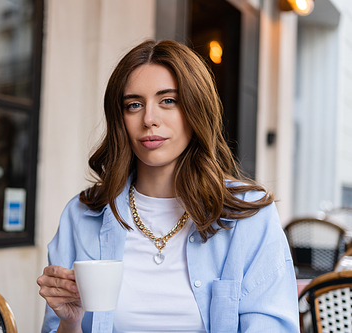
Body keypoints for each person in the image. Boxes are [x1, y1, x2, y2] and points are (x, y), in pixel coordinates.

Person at [37, 40, 299, 333]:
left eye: (168, 101)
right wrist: (69, 322)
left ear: (195, 108)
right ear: (120, 118)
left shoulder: (249, 216)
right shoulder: (81, 215)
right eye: (133, 105)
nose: (149, 119)